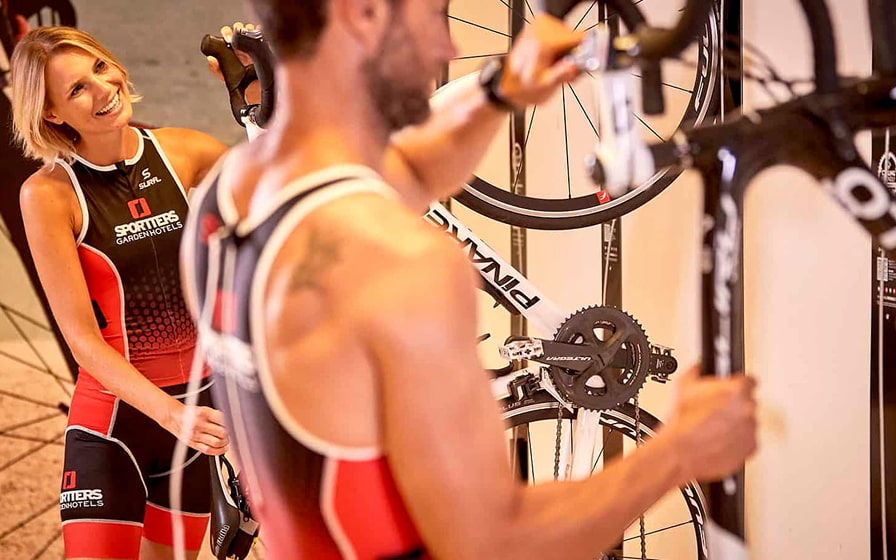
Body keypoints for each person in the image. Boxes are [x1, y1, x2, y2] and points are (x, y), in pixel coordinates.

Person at [181, 1, 758, 559]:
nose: (448, 47)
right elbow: (496, 544)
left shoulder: (229, 194)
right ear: (363, 13)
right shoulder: (398, 260)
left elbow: (408, 167)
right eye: (435, 16)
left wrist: (500, 88)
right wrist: (681, 450)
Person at [10, 26, 233, 560]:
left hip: (196, 417)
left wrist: (251, 97)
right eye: (77, 89)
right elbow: (82, 340)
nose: (102, 88)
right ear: (52, 114)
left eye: (100, 68)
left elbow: (280, 186)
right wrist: (170, 414)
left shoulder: (185, 151)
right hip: (113, 420)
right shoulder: (48, 194)